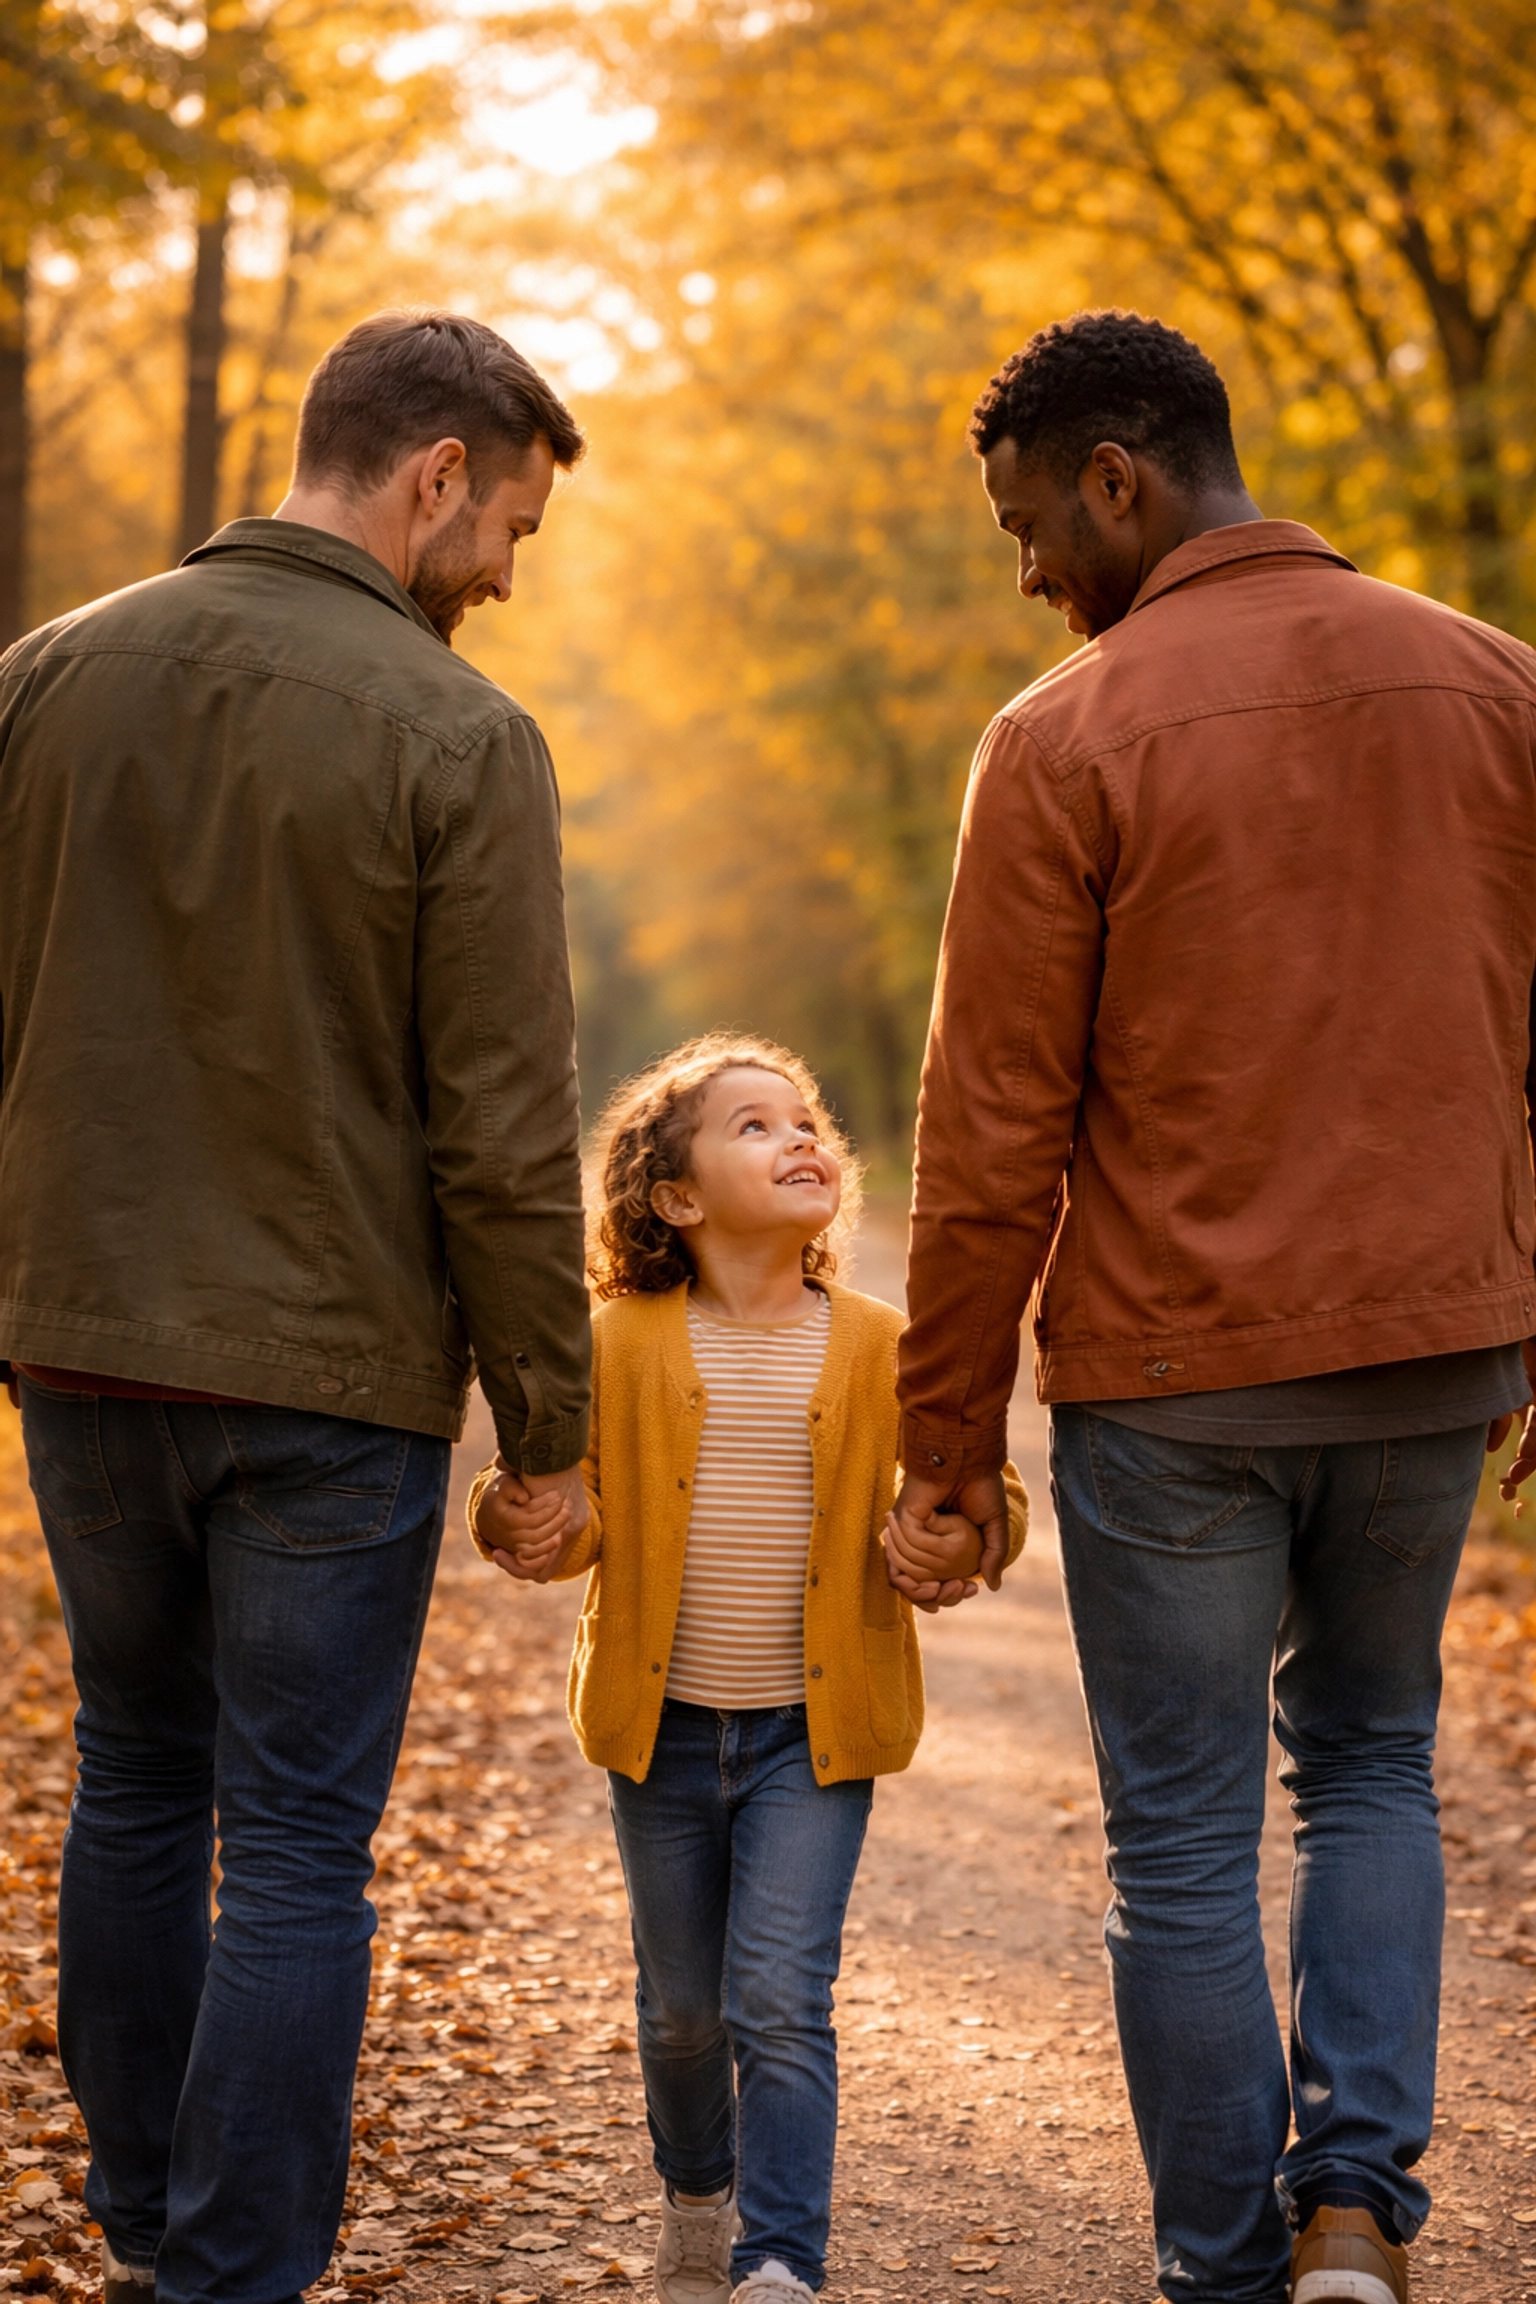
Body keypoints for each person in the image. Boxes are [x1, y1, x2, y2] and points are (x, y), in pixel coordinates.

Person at [885, 307, 1536, 2304]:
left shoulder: (1063, 737)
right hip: (1434, 1347)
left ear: (1118, 479)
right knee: (1368, 1760)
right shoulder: (1502, 688)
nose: (1026, 577)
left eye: (1025, 524)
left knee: (1180, 1845)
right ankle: (1353, 2209)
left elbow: (992, 1131)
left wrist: (946, 1448)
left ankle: (1219, 2273)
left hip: (1174, 1380)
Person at [0, 311, 594, 2304]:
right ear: (432, 479)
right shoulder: (461, 735)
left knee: (140, 1774)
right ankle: (234, 2275)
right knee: (306, 1849)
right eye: (508, 522)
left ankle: (145, 2222)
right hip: (330, 1384)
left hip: (79, 1346)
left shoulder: (40, 682)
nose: (506, 569)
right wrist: (554, 1424)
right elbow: (504, 1134)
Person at [468, 1034, 1027, 2304]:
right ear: (674, 1197)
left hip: (809, 1738)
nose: (800, 1139)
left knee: (780, 1995)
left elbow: (977, 1491)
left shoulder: (888, 1345)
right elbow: (573, 1513)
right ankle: (699, 2192)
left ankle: (782, 2257)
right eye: (756, 1127)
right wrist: (520, 1522)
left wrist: (949, 1531)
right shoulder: (616, 1344)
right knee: (682, 2012)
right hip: (658, 1727)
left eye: (807, 1120)